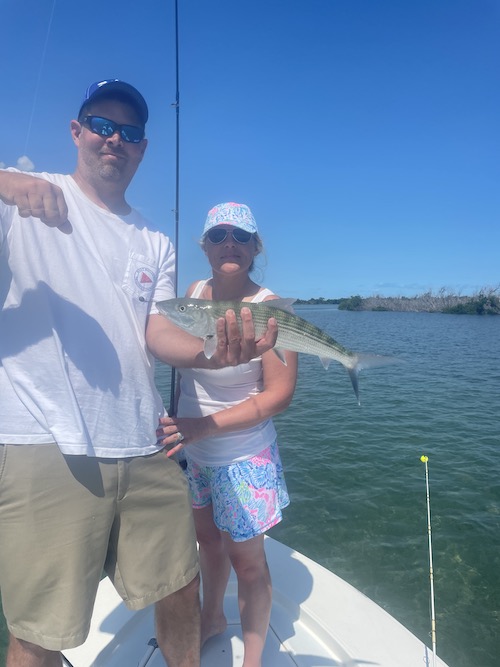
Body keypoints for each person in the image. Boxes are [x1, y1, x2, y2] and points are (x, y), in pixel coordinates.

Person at [0, 82, 278, 667]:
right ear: (76, 131)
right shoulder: (22, 198)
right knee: (40, 629)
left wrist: (210, 355)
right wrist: (4, 181)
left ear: (143, 148)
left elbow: (155, 330)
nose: (114, 140)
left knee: (181, 586)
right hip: (49, 442)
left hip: (147, 443)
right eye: (102, 125)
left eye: (129, 133)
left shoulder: (155, 239)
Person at [158, 202, 298, 667]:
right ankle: (213, 618)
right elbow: (178, 350)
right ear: (205, 247)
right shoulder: (194, 294)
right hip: (195, 455)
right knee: (208, 544)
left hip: (243, 458)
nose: (229, 244)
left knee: (249, 564)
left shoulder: (271, 309)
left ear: (256, 246)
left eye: (241, 235)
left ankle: (253, 659)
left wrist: (202, 427)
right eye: (218, 236)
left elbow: (278, 396)